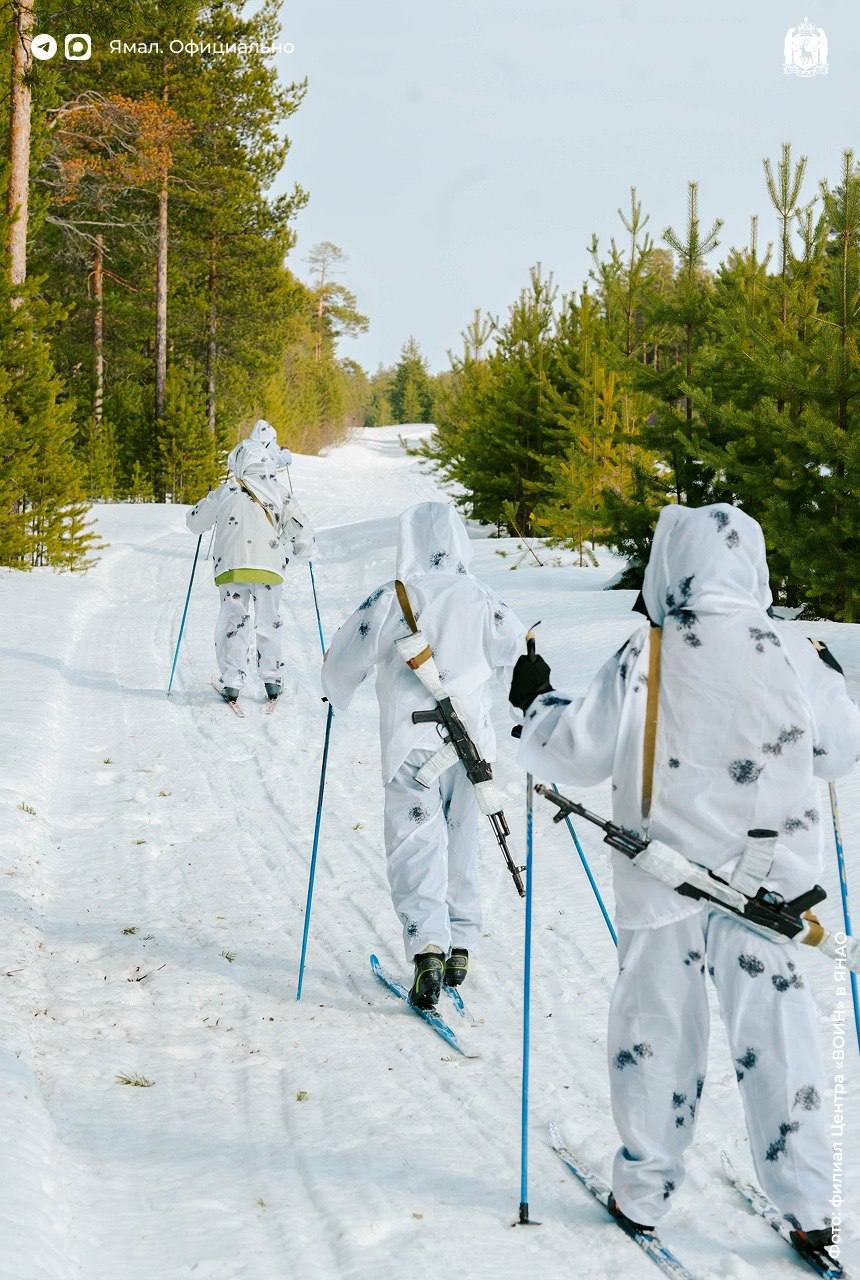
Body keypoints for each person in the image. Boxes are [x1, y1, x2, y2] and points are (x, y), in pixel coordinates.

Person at [509, 502, 860, 1264]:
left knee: (655, 1037)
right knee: (783, 1046)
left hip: (659, 882)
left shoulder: (651, 651)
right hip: (773, 898)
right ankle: (811, 1206)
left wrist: (534, 698)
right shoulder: (793, 653)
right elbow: (839, 752)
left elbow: (573, 751)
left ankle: (644, 1190)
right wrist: (835, 681)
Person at [322, 501, 526, 1008]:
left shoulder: (391, 598)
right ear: (458, 542)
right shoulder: (481, 597)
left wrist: (335, 691)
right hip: (470, 749)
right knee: (462, 841)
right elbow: (519, 657)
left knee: (415, 842)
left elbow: (346, 654)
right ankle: (462, 942)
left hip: (410, 745)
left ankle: (427, 949)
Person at [186, 419, 314, 707]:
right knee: (269, 620)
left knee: (234, 619)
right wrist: (305, 550)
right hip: (270, 567)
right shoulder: (279, 491)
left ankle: (232, 681)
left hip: (232, 567)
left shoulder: (227, 491)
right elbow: (300, 526)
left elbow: (195, 523)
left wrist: (204, 509)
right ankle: (272, 679)